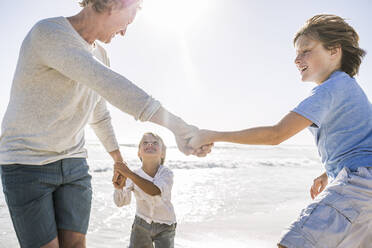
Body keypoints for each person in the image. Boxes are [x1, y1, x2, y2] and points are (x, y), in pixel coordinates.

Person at [0, 0, 211, 247]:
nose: (124, 32)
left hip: (74, 163)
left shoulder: (100, 54)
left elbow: (98, 114)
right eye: (127, 22)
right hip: (26, 163)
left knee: (77, 245)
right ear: (113, 3)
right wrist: (180, 128)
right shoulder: (48, 33)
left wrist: (119, 162)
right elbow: (110, 85)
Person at [188, 14, 372, 248]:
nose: (297, 59)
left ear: (334, 51)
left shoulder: (332, 88)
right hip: (362, 188)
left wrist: (213, 135)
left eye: (306, 50)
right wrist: (328, 173)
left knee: (293, 243)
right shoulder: (348, 87)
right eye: (296, 53)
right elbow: (361, 139)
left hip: (356, 187)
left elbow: (276, 134)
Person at [113, 132, 176, 248]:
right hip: (141, 224)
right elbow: (121, 202)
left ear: (162, 153)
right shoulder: (134, 174)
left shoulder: (166, 173)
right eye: (145, 143)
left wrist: (129, 173)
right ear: (139, 152)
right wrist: (119, 187)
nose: (150, 144)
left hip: (165, 225)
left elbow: (154, 190)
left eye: (155, 143)